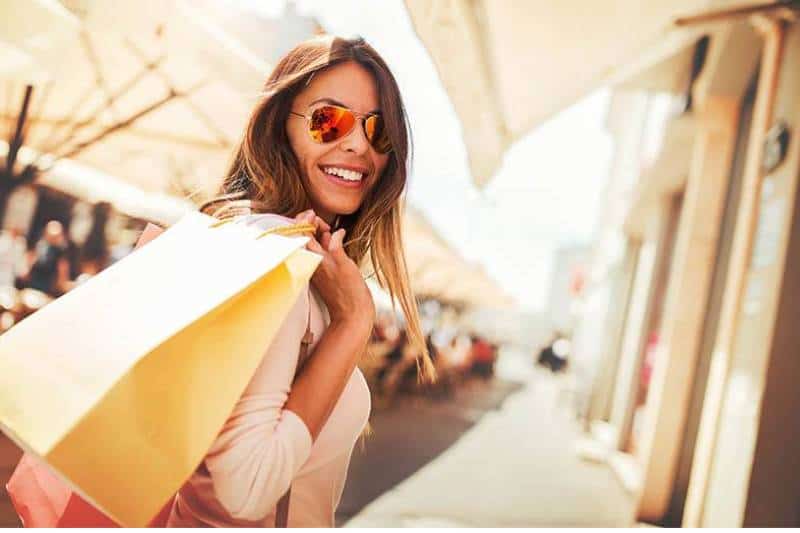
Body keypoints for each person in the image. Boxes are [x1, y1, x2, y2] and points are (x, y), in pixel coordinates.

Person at [166, 35, 436, 528]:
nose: (357, 144)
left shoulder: (291, 259)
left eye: (378, 131)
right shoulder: (271, 254)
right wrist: (354, 322)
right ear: (279, 127)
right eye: (328, 120)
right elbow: (243, 492)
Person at [22, 220, 73, 296]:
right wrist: (27, 270)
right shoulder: (40, 245)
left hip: (47, 284)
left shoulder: (60, 251)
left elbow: (62, 267)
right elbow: (32, 257)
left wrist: (61, 282)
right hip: (34, 280)